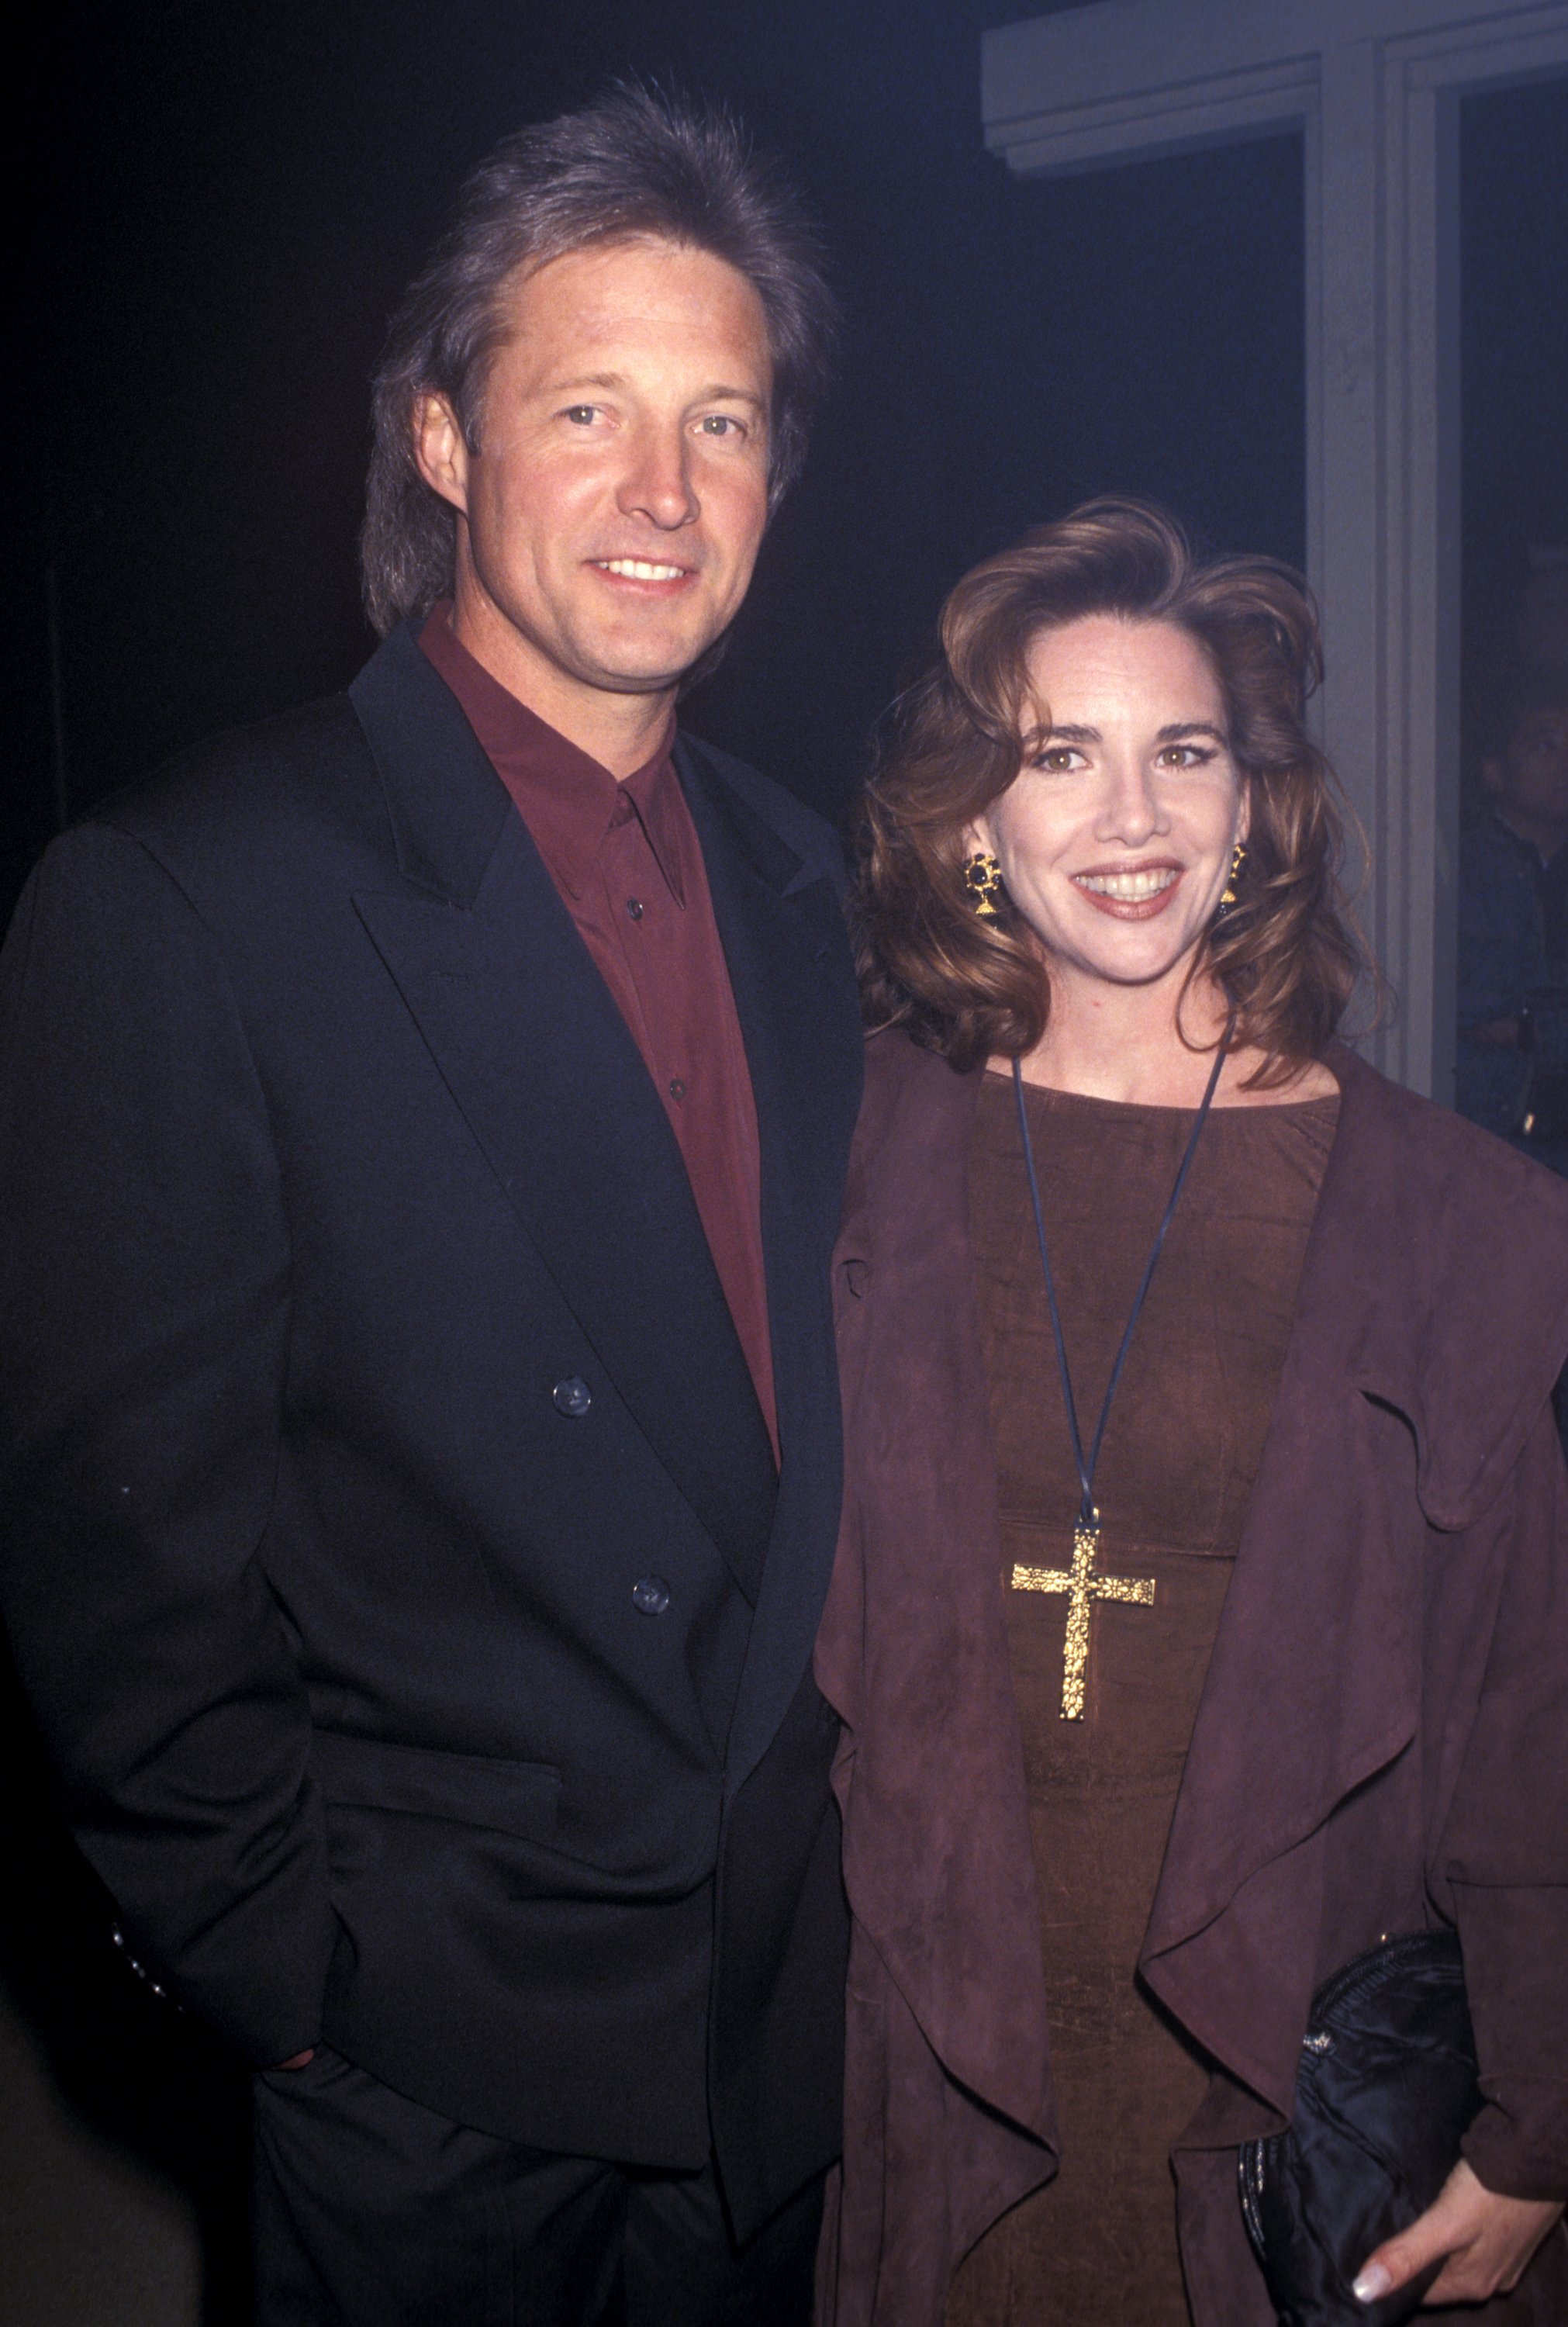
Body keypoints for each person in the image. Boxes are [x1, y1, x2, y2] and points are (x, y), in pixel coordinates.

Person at [0, 88, 862, 2327]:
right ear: (447, 442)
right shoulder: (191, 898)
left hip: (791, 2047)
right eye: (586, 407)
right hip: (436, 2065)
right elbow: (117, 1571)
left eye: (724, 422)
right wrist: (293, 1983)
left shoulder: (811, 887)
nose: (663, 493)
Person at [813, 500, 1568, 2326]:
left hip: (1283, 2057)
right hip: (934, 2022)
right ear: (971, 821)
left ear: (1252, 807)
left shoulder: (1440, 1214)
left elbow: (1517, 1688)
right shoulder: (859, 1147)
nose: (1128, 815)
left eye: (1181, 752)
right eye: (1054, 755)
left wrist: (1539, 2115)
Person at [1456, 669, 1568, 1165]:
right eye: (1545, 746)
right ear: (1495, 771)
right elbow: (1470, 1014)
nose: (1564, 763)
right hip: (1490, 1137)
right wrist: (1532, 1029)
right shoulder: (1464, 871)